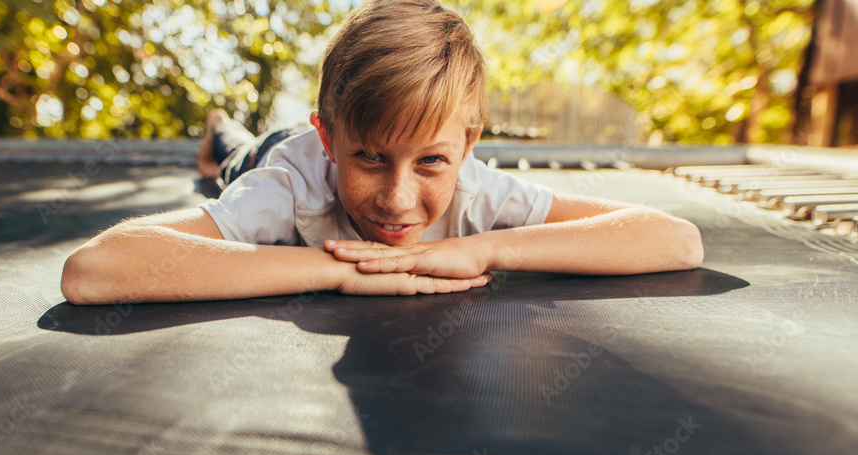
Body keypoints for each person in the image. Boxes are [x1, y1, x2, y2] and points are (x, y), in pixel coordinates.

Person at [61, 0, 703, 305]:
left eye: (430, 161)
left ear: (470, 144)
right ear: (332, 140)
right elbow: (93, 271)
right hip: (276, 151)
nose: (398, 201)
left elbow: (676, 241)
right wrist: (339, 270)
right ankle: (222, 130)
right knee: (234, 155)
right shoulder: (291, 185)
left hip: (328, 133)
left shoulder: (478, 189)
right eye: (370, 158)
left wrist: (480, 247)